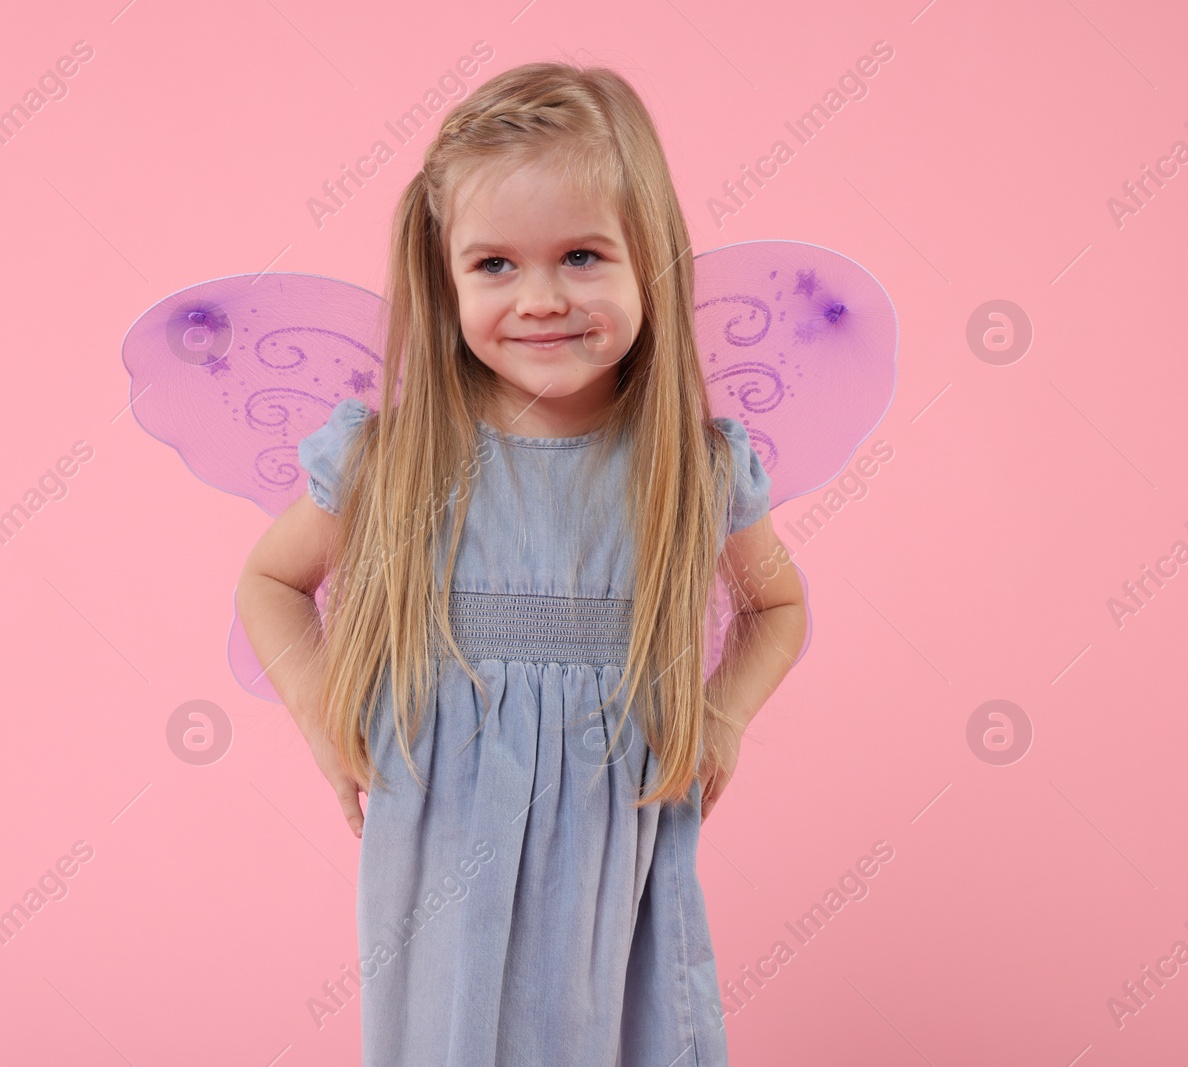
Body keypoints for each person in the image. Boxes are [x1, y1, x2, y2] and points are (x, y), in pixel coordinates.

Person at [234, 60, 808, 1066]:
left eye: (581, 255)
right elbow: (270, 581)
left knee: (611, 1032)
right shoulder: (398, 456)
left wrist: (719, 714)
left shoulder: (689, 466)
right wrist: (328, 712)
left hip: (613, 822)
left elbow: (779, 605)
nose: (540, 298)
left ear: (650, 263)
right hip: (442, 824)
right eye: (494, 264)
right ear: (444, 277)